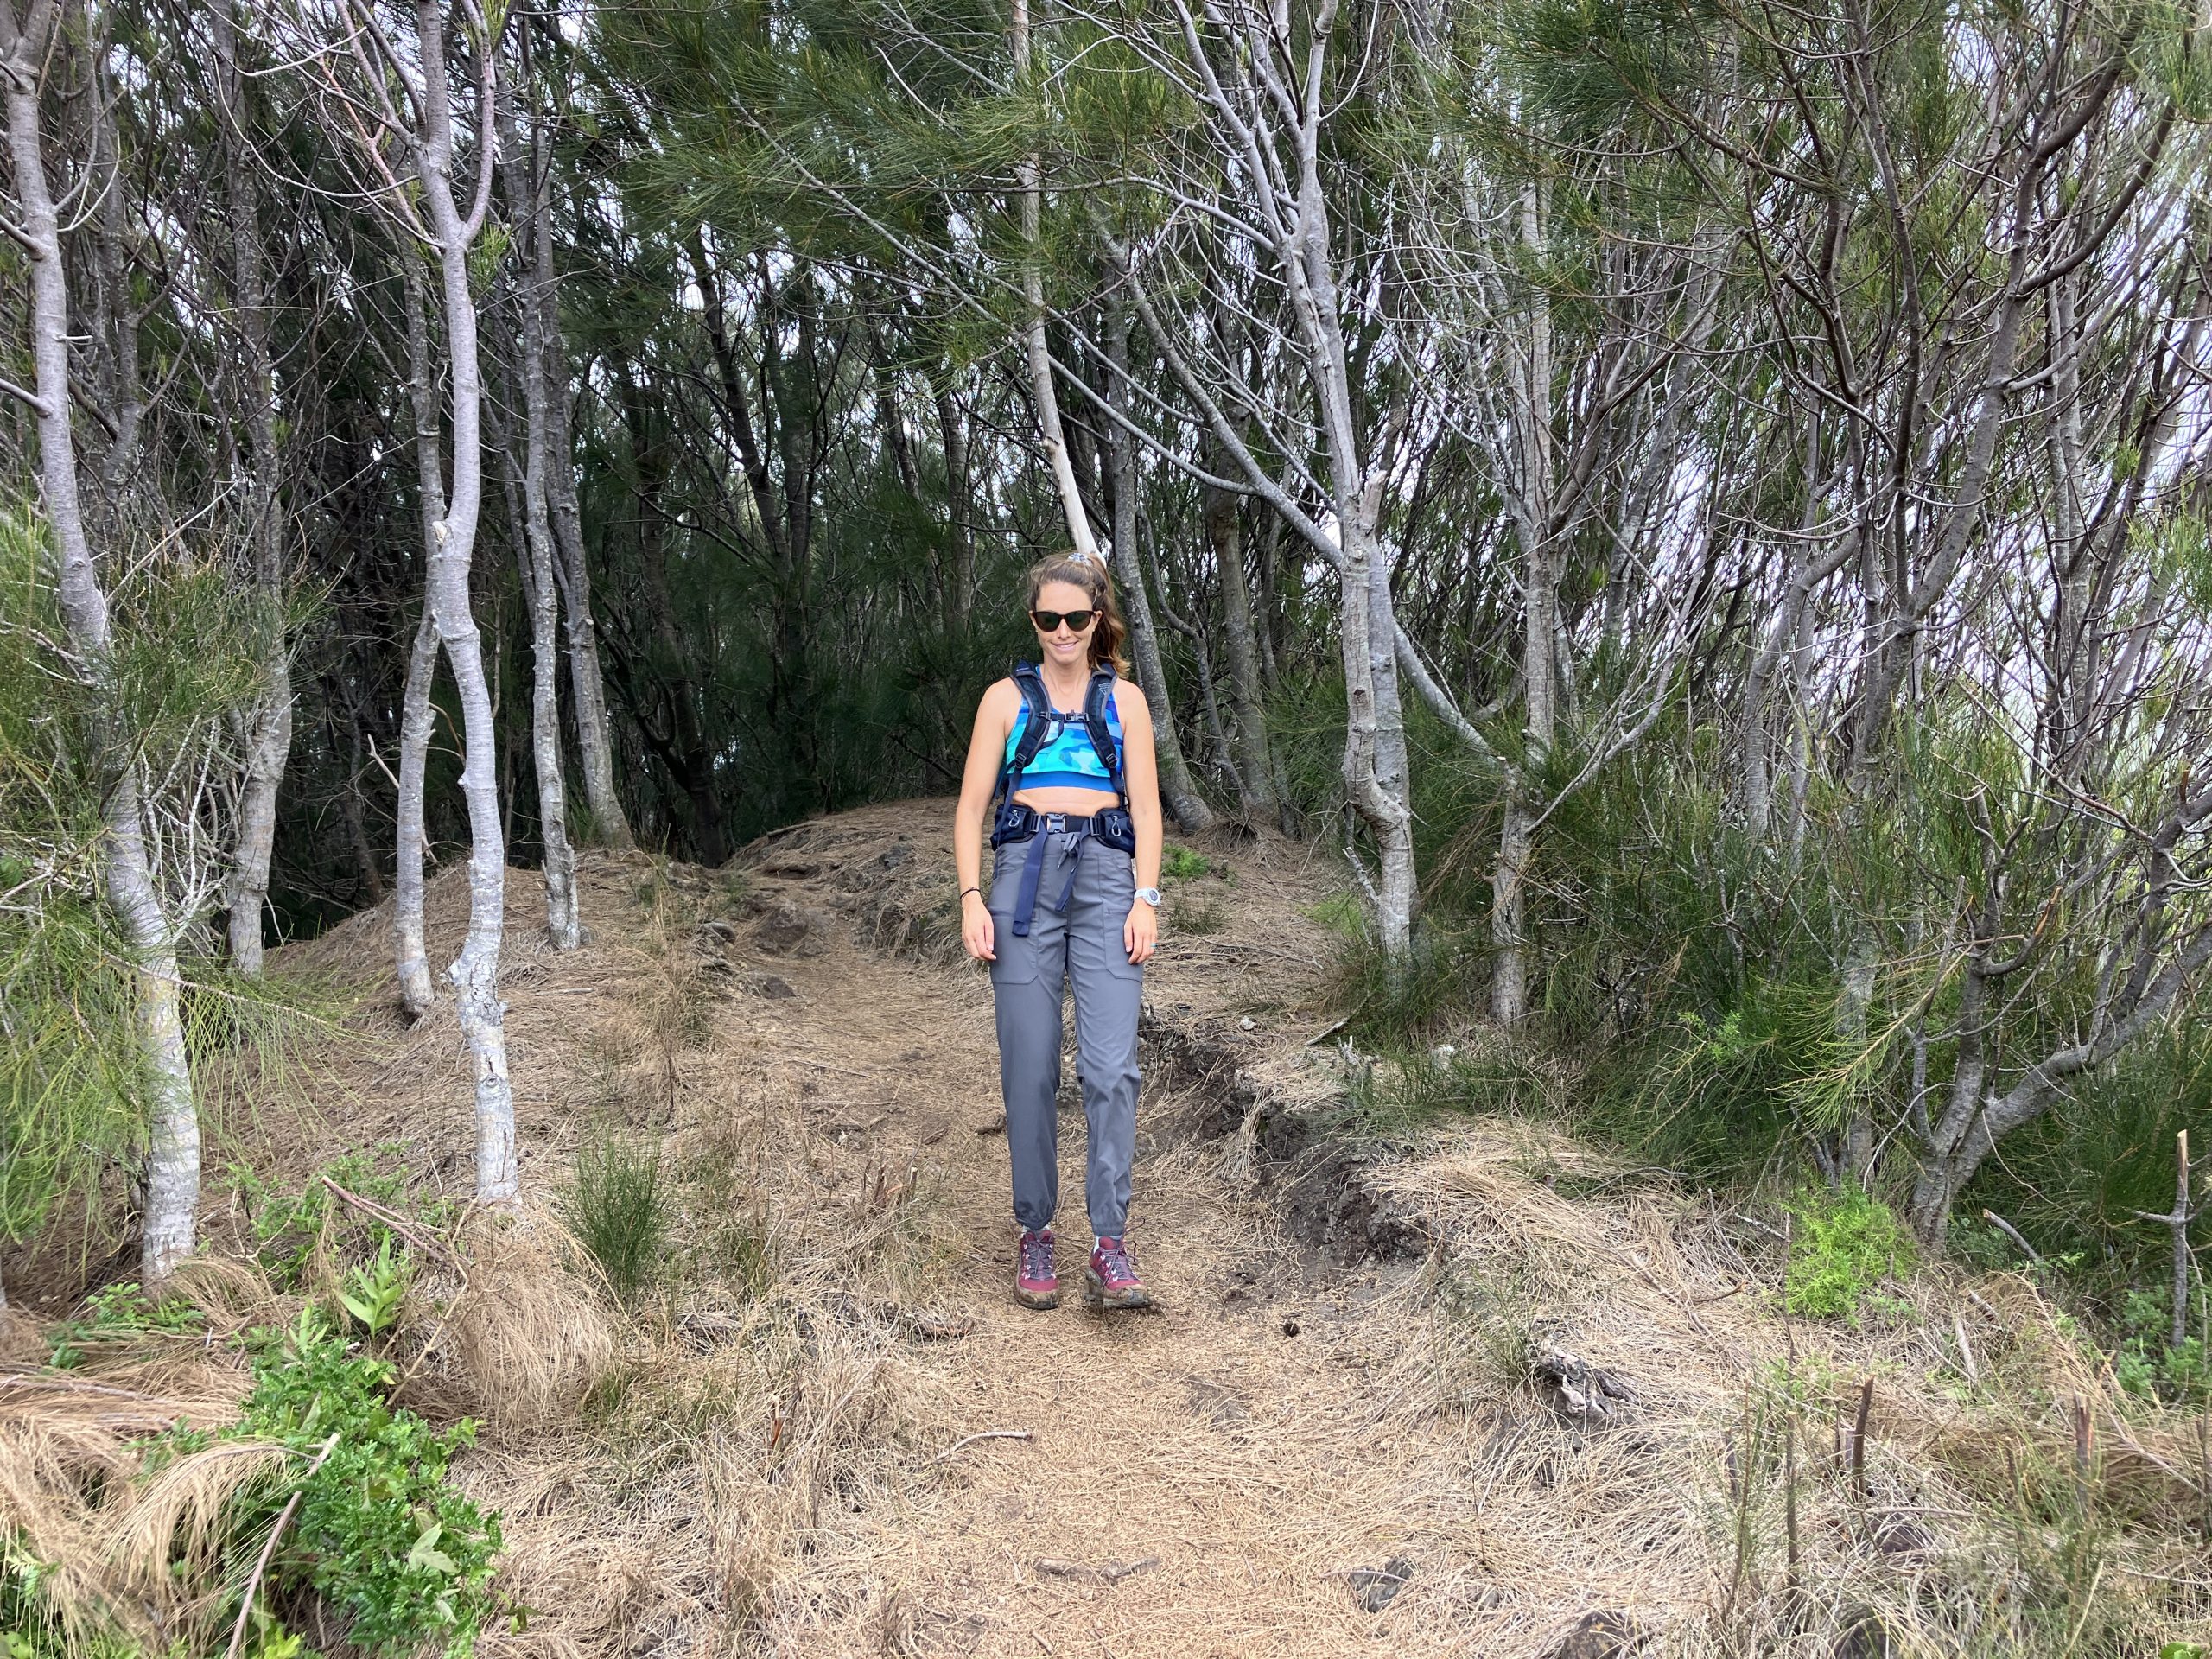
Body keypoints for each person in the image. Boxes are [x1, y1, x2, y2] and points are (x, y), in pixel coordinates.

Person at [954, 550, 1164, 1312]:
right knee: (1030, 1066)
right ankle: (1035, 1230)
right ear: (1034, 623)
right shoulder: (1004, 701)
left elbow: (1146, 808)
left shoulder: (1126, 702)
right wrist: (972, 898)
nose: (1064, 631)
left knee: (1111, 1070)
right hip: (1022, 879)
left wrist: (1147, 898)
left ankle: (1110, 1241)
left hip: (1109, 882)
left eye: (1078, 618)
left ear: (1098, 619)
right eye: (1049, 619)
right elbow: (971, 809)